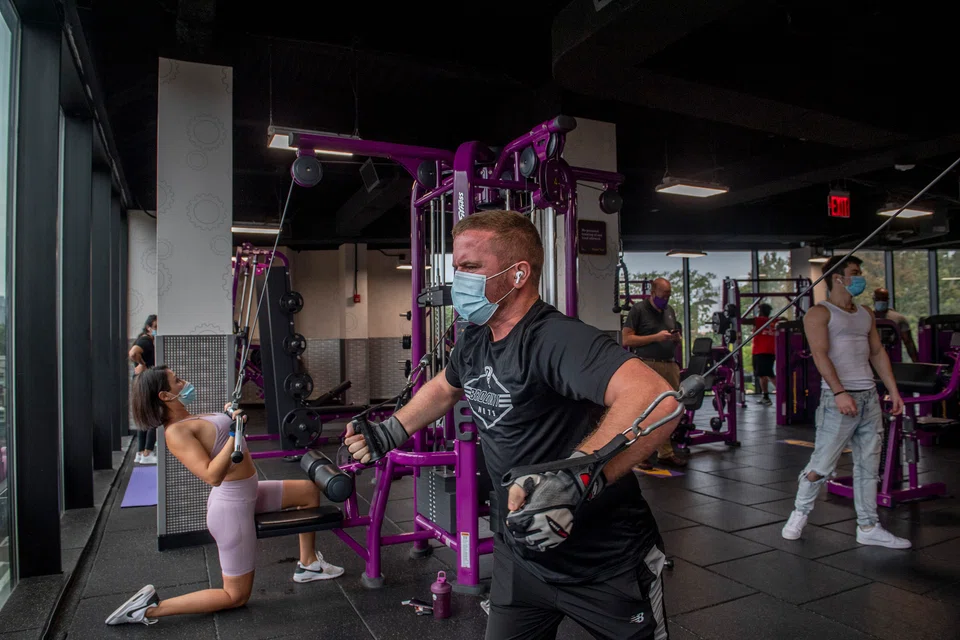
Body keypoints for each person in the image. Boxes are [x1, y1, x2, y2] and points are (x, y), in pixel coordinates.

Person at [346, 210, 680, 640]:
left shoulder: (555, 338)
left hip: (604, 561)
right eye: (457, 268)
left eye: (470, 267)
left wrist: (578, 475)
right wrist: (392, 429)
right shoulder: (474, 337)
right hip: (519, 555)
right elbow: (446, 387)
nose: (458, 280)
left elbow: (656, 398)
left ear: (518, 274)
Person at [105, 366, 344, 626]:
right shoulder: (175, 432)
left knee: (308, 491)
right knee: (236, 595)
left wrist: (230, 415)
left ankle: (308, 564)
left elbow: (219, 436)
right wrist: (234, 434)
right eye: (177, 381)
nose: (185, 382)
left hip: (248, 493)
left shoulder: (191, 417)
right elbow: (211, 475)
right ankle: (149, 609)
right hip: (232, 509)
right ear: (164, 396)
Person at [781, 256, 911, 549]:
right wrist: (839, 392)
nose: (860, 277)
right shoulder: (819, 313)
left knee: (868, 466)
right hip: (837, 398)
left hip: (869, 397)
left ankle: (868, 526)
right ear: (837, 278)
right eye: (854, 272)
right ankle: (800, 512)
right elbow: (820, 355)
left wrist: (893, 391)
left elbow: (876, 353)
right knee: (822, 465)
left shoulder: (865, 313)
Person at [621, 277, 687, 468]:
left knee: (670, 410)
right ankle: (640, 455)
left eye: (668, 295)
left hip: (669, 365)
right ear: (652, 293)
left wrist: (676, 338)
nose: (665, 299)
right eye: (662, 295)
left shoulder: (669, 311)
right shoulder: (638, 310)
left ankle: (665, 453)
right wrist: (656, 337)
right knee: (646, 410)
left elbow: (674, 337)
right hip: (648, 364)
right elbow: (627, 340)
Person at [129, 315, 158, 464]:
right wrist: (142, 364)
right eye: (156, 327)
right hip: (145, 382)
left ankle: (141, 452)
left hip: (140, 382)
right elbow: (133, 353)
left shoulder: (146, 340)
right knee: (154, 415)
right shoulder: (146, 341)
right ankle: (148, 452)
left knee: (143, 416)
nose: (158, 330)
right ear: (149, 327)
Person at [744, 303, 781, 406]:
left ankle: (784, 393)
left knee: (768, 374)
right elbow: (785, 320)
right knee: (764, 375)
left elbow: (743, 321)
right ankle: (766, 396)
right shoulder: (774, 321)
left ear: (760, 311)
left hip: (760, 351)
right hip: (770, 351)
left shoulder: (760, 320)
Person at [873, 288, 920, 362]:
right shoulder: (868, 318)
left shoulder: (898, 318)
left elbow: (908, 342)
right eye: (878, 299)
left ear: (888, 300)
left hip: (893, 358)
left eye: (883, 299)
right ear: (874, 299)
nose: (881, 301)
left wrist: (916, 361)